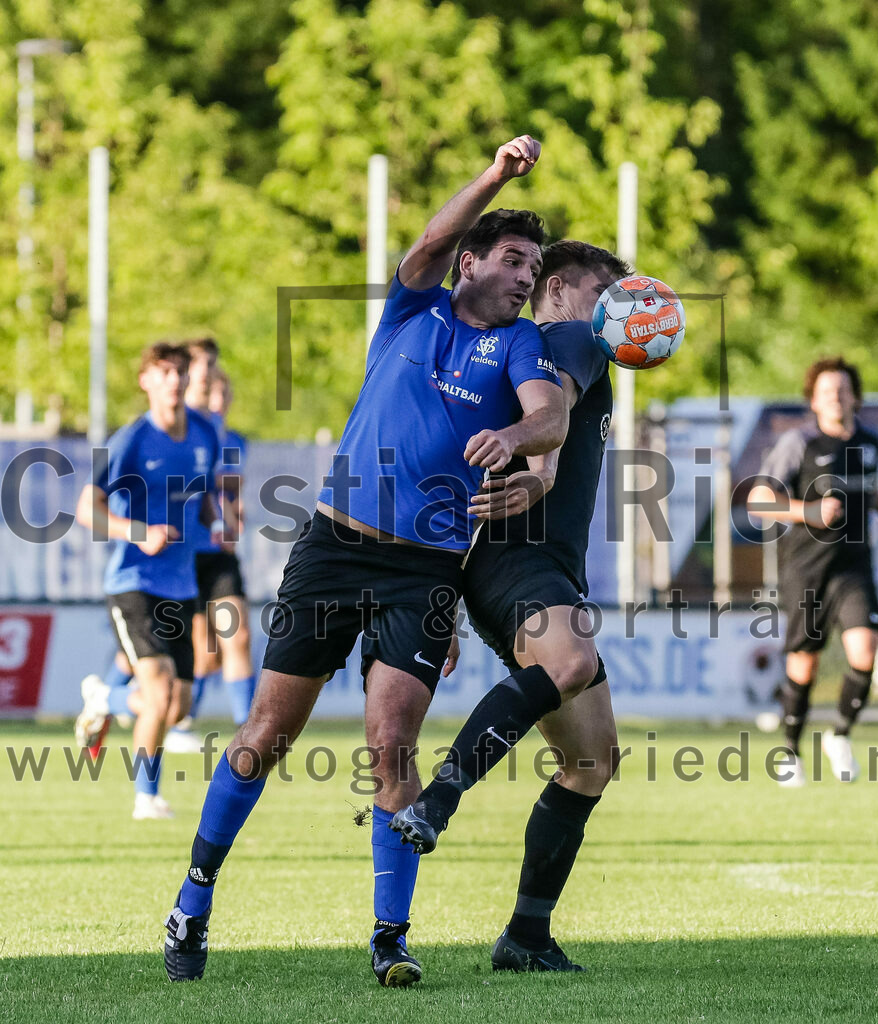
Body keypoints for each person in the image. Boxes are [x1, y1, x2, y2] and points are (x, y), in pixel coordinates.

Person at [164, 134, 567, 988]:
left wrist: (522, 441)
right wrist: (494, 174)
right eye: (512, 259)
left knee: (391, 745)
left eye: (534, 265)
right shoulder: (413, 308)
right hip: (333, 548)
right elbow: (420, 247)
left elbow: (549, 418)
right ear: (469, 263)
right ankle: (192, 903)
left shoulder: (523, 344)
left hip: (424, 570)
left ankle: (390, 937)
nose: (527, 275)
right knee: (269, 734)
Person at [390, 243, 629, 968]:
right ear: (559, 289)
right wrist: (545, 467)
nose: (618, 313)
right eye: (607, 296)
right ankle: (440, 798)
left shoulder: (549, 347)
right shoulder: (569, 337)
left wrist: (451, 602)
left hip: (520, 567)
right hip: (520, 561)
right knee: (572, 658)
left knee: (592, 759)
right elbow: (548, 409)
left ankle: (526, 936)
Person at [74, 341, 221, 818]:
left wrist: (217, 518)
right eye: (163, 373)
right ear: (146, 382)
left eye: (178, 371)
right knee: (156, 694)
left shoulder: (204, 433)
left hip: (181, 584)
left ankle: (104, 696)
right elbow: (85, 510)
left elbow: (202, 494)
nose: (174, 380)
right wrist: (139, 532)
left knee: (175, 707)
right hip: (133, 581)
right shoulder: (131, 440)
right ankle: (147, 798)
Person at [747, 357, 878, 786]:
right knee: (804, 664)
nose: (836, 396)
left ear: (856, 396)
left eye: (843, 389)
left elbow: (860, 487)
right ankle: (790, 752)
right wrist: (807, 511)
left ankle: (840, 735)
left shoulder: (872, 440)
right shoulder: (799, 443)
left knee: (865, 651)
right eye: (827, 390)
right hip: (805, 566)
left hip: (853, 565)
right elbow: (759, 501)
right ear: (813, 399)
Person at [166, 354, 255, 751]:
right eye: (211, 388)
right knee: (205, 653)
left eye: (224, 389)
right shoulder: (186, 433)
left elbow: (231, 491)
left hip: (219, 553)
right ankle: (178, 723)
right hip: (187, 554)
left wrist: (234, 517)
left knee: (238, 636)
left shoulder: (233, 440)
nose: (219, 396)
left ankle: (248, 731)